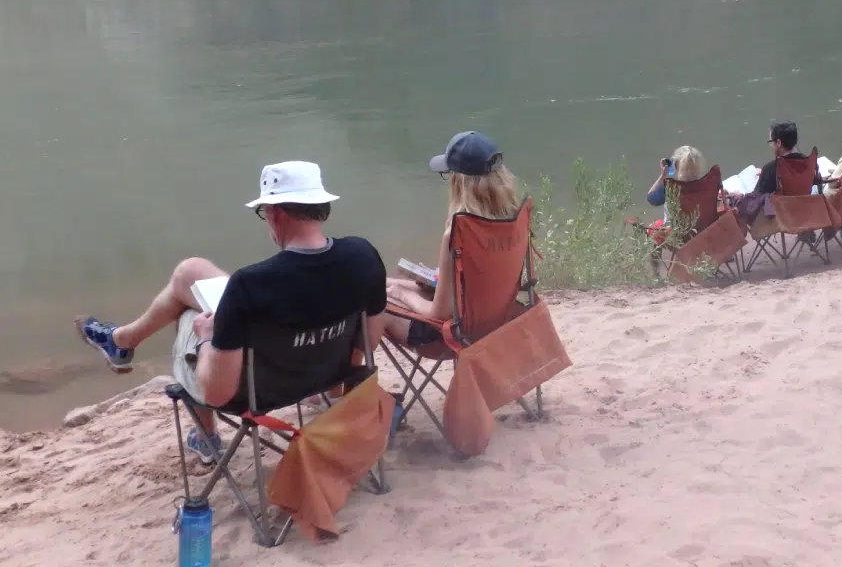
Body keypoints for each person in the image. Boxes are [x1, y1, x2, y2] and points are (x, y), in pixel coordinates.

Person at [75, 161, 387, 464]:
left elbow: (218, 393)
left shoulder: (251, 285)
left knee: (188, 316)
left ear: (275, 213)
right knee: (190, 272)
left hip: (254, 395)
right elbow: (369, 343)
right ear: (322, 206)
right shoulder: (363, 257)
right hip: (324, 376)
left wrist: (209, 336)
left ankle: (207, 438)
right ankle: (122, 340)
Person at [378, 131, 520, 348]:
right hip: (496, 320)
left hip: (454, 335)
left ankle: (354, 375)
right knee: (379, 284)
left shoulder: (457, 233)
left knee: (375, 302)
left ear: (459, 181)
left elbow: (440, 313)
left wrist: (403, 295)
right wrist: (440, 276)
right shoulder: (513, 219)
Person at [644, 145, 707, 233]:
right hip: (702, 229)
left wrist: (663, 175)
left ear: (676, 167)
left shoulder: (670, 188)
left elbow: (651, 199)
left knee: (652, 227)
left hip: (676, 233)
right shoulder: (707, 185)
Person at [754, 121, 815, 194]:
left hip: (782, 205)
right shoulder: (809, 163)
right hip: (803, 204)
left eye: (771, 142)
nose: (771, 145)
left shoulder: (770, 170)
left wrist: (738, 196)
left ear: (779, 143)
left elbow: (756, 198)